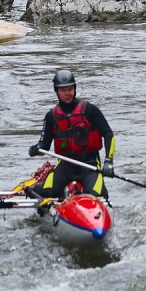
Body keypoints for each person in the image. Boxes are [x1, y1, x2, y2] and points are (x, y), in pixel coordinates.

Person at [27, 70, 115, 200]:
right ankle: (37, 188)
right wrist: (36, 149)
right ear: (56, 91)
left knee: (95, 195)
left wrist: (109, 161)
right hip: (65, 165)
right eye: (63, 90)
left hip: (89, 165)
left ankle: (100, 193)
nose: (67, 93)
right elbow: (44, 145)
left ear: (75, 89)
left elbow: (108, 134)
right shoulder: (51, 116)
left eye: (70, 89)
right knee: (48, 192)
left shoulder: (90, 110)